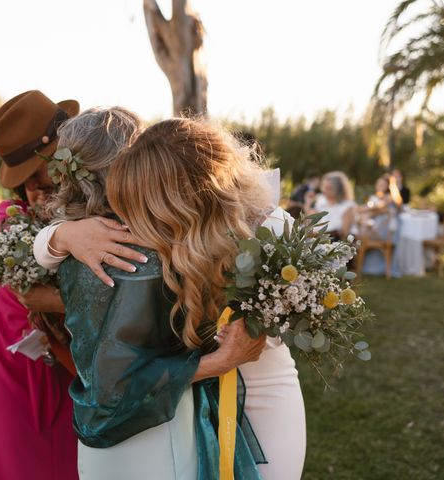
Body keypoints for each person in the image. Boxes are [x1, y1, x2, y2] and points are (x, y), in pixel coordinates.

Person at [36, 117, 306, 480]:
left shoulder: (270, 227)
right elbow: (41, 251)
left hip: (262, 389)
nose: (139, 212)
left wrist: (261, 326)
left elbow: (308, 309)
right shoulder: (164, 230)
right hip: (193, 399)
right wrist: (62, 234)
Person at [0, 91, 81, 480]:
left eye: (39, 173)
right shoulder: (9, 220)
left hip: (65, 367)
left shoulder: (92, 200)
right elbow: (30, 296)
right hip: (10, 373)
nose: (35, 189)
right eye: (25, 180)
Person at [307, 171, 357, 240]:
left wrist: (316, 234)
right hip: (316, 238)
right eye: (324, 187)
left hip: (334, 241)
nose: (324, 191)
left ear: (338, 190)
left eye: (329, 188)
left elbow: (344, 233)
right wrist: (308, 203)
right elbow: (309, 222)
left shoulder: (348, 206)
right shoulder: (321, 201)